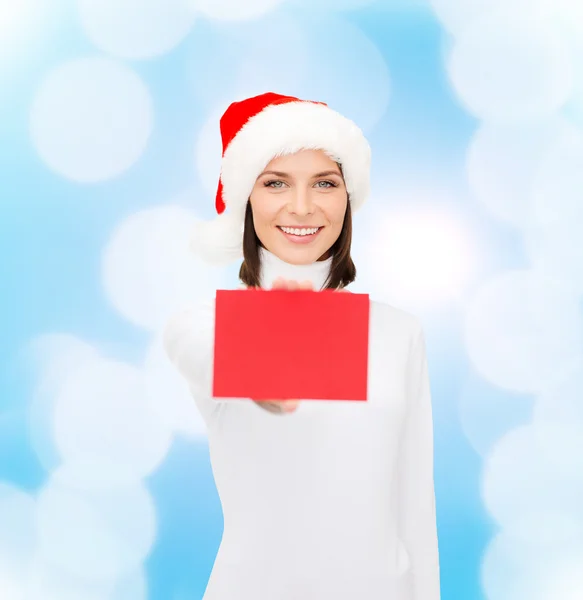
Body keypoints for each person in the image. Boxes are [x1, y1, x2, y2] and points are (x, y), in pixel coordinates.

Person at [163, 92, 440, 600]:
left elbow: (415, 505)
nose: (302, 207)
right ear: (246, 197)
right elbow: (199, 350)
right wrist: (259, 368)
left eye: (324, 184)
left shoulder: (400, 333)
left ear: (348, 197)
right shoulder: (208, 324)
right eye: (275, 183)